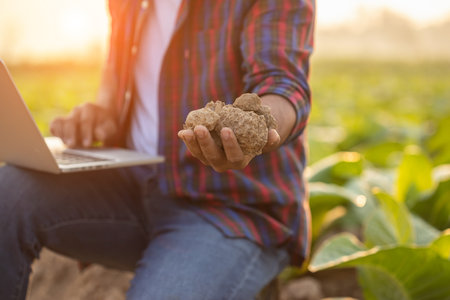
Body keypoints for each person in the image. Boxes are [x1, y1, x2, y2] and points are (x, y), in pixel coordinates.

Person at [0, 0, 315, 299]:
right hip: (131, 187)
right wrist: (100, 118)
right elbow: (113, 94)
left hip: (229, 206)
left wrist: (261, 127)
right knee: (9, 193)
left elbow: (283, 83)